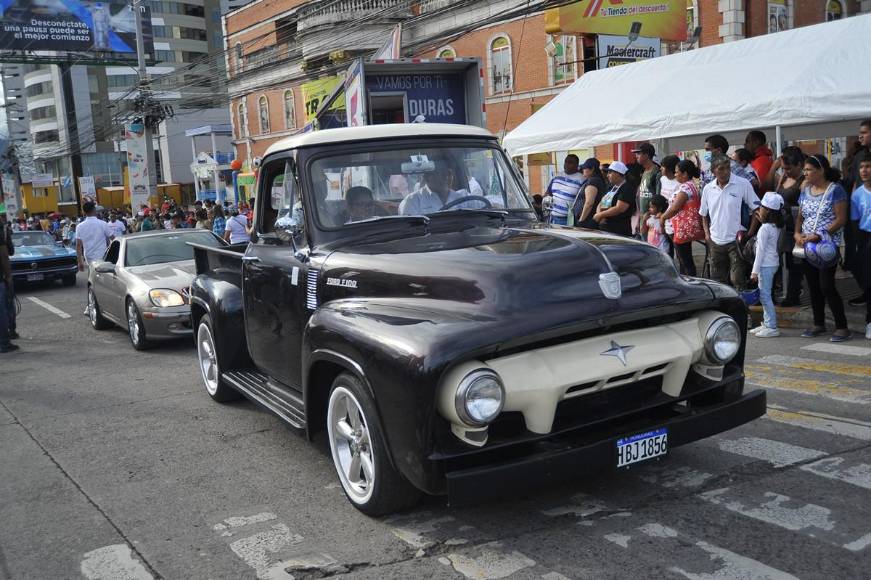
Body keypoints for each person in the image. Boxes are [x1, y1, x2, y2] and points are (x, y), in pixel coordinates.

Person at [795, 154, 850, 341]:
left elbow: (841, 219)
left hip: (826, 246)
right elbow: (800, 217)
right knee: (812, 286)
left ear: (821, 170)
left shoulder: (836, 190)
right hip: (807, 245)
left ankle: (842, 326)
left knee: (827, 285)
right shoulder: (806, 190)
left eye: (809, 169)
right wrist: (797, 234)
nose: (805, 173)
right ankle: (819, 323)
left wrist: (818, 234)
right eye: (804, 170)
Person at [700, 155, 760, 289]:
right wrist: (707, 235)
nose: (726, 172)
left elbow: (757, 208)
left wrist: (750, 232)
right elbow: (703, 214)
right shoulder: (708, 189)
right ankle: (722, 306)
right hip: (715, 240)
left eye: (728, 168)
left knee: (737, 279)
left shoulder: (742, 183)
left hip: (736, 240)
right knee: (718, 280)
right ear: (714, 171)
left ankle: (740, 306)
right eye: (721, 169)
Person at [750, 192, 785, 338]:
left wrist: (754, 272)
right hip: (772, 263)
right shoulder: (774, 226)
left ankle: (771, 326)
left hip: (765, 265)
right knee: (765, 294)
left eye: (762, 207)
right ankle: (767, 322)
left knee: (765, 296)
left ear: (768, 211)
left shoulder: (765, 229)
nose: (759, 210)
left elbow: (760, 252)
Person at [774, 147, 806, 306]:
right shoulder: (784, 178)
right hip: (782, 227)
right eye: (783, 168)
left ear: (799, 165)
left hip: (797, 227)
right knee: (781, 261)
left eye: (788, 168)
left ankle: (793, 294)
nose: (786, 171)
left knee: (795, 263)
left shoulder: (803, 181)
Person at [662, 159, 703, 276]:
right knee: (685, 259)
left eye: (677, 172)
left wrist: (663, 217)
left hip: (680, 228)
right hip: (683, 227)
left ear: (684, 174)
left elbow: (675, 208)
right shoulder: (692, 185)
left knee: (685, 261)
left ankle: (689, 283)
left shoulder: (685, 188)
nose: (675, 175)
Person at [849, 152, 871, 339]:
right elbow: (855, 222)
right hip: (866, 240)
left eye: (868, 166)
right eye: (861, 167)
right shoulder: (856, 195)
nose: (864, 171)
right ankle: (870, 321)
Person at [399, 165, 475, 215]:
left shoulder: (461, 198)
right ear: (427, 178)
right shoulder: (413, 201)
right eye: (440, 173)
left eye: (449, 173)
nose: (446, 177)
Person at [593, 161, 636, 237]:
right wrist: (599, 214)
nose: (607, 175)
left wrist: (601, 215)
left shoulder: (626, 188)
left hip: (619, 230)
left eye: (610, 173)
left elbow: (620, 208)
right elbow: (601, 202)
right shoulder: (611, 187)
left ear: (618, 173)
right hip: (605, 227)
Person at [543, 154, 584, 226]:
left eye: (570, 162)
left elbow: (584, 200)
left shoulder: (582, 179)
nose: (567, 164)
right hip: (552, 217)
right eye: (566, 161)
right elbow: (548, 193)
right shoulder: (557, 176)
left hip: (568, 220)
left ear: (576, 164)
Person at [76, 201, 113, 272]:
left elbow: (78, 245)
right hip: (102, 256)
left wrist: (80, 262)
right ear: (94, 210)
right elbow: (114, 238)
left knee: (92, 277)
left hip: (89, 258)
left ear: (84, 212)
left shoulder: (79, 226)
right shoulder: (103, 224)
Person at [633, 143, 661, 228]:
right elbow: (639, 196)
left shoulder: (657, 172)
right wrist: (639, 219)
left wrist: (649, 214)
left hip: (652, 220)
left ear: (646, 155)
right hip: (643, 219)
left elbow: (658, 198)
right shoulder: (645, 171)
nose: (636, 156)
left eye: (638, 153)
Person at [0, 215, 17, 353]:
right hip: (1, 277)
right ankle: (5, 340)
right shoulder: (2, 228)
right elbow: (6, 253)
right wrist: (9, 275)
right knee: (5, 307)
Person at [575, 158, 607, 228]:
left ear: (592, 169)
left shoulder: (593, 182)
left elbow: (589, 203)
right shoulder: (595, 180)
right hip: (588, 219)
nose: (582, 170)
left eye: (584, 168)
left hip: (586, 221)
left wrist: (581, 221)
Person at [659, 155, 680, 255]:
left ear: (669, 168)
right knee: (666, 249)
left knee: (679, 251)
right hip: (662, 218)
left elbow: (676, 205)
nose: (660, 168)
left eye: (662, 166)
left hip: (674, 220)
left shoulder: (678, 183)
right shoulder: (662, 179)